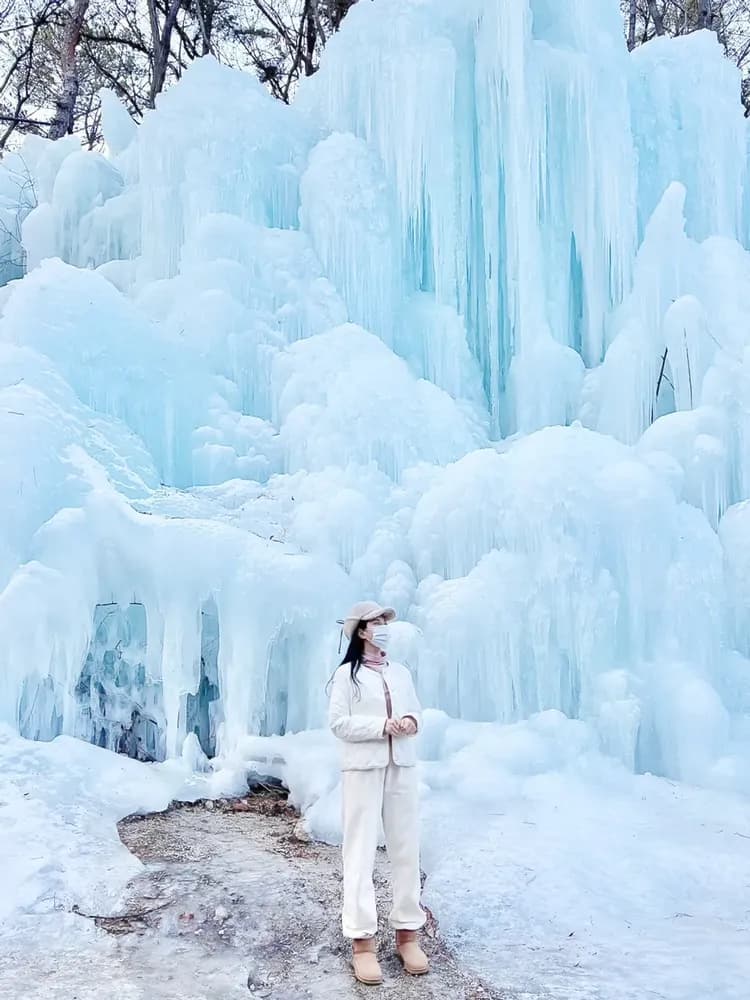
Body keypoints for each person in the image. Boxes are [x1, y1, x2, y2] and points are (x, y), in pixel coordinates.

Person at [327, 600, 428, 985]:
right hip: (363, 769)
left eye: (386, 620)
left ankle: (407, 934)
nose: (384, 626)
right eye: (376, 622)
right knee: (360, 850)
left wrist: (409, 721)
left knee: (406, 848)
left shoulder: (399, 673)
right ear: (361, 631)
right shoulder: (346, 677)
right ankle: (362, 942)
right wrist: (381, 726)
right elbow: (338, 723)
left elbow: (417, 711)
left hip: (401, 766)